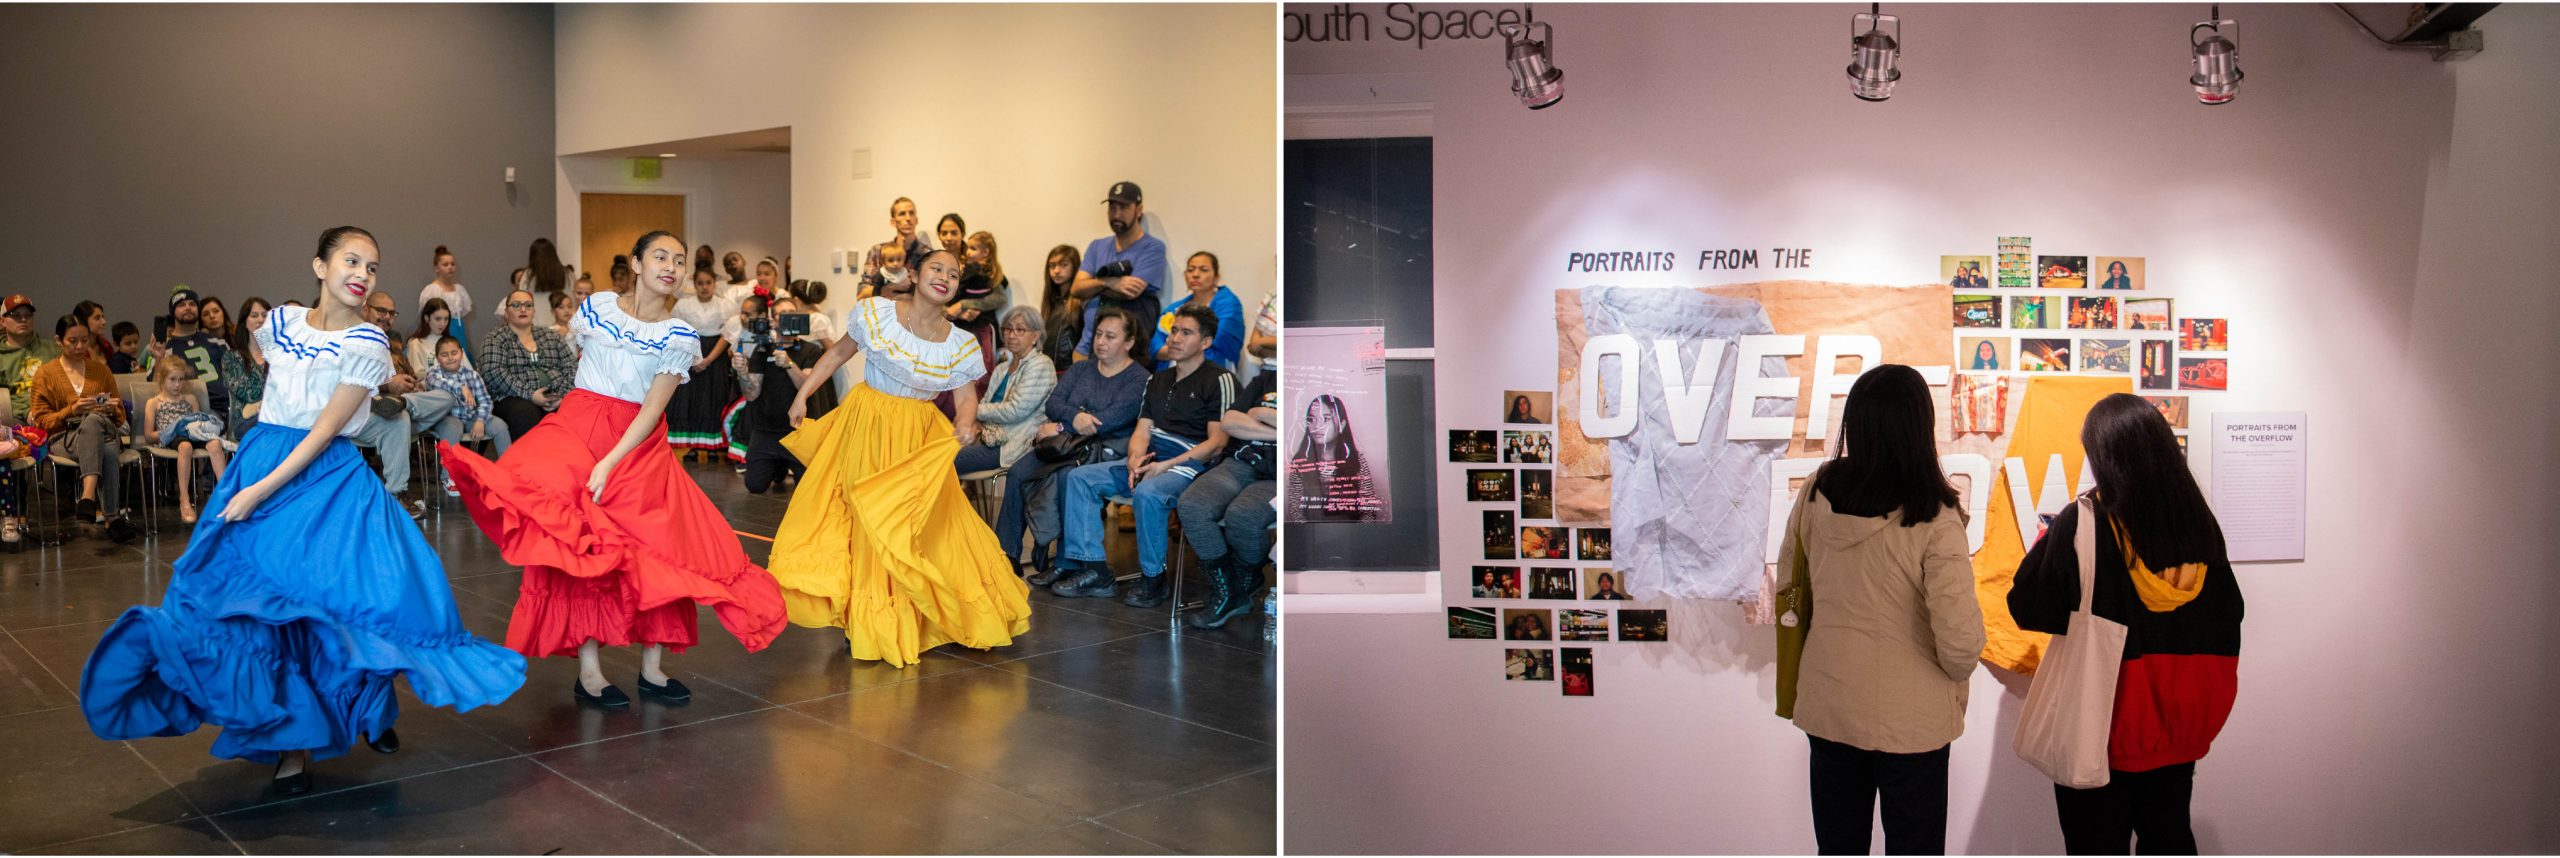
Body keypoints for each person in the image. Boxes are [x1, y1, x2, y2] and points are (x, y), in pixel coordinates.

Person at [81, 226, 524, 796]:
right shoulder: (282, 322)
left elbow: (324, 430)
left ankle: (357, 713)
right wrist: (256, 456)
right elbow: (281, 394)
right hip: (264, 457)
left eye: (372, 265)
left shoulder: (366, 343)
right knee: (270, 611)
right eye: (350, 261)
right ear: (320, 266)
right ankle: (294, 744)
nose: (362, 274)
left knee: (347, 604)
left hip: (321, 475)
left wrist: (259, 489)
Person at [443, 231, 786, 707]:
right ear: (638, 264)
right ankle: (590, 673)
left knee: (658, 551)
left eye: (679, 260)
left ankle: (652, 668)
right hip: (578, 427)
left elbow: (651, 409)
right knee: (581, 549)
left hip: (638, 443)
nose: (671, 266)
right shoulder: (598, 307)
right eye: (660, 256)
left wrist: (610, 460)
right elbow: (585, 366)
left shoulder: (679, 335)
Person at [770, 247, 1031, 667]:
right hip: (866, 422)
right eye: (936, 268)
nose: (944, 276)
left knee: (909, 525)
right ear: (914, 273)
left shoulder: (960, 344)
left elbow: (967, 397)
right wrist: (803, 393)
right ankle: (864, 618)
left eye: (952, 273)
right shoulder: (876, 313)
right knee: (863, 518)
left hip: (917, 437)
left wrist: (966, 422)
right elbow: (838, 352)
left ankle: (907, 614)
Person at [2010, 393, 2243, 856]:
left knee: (2095, 844)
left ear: (2103, 456)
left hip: (2104, 726)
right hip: (2177, 729)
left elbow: (2027, 606)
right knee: (2169, 837)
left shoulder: (2084, 522)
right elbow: (2229, 614)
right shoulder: (2199, 525)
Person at [1776, 364, 1984, 857]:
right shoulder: (1934, 514)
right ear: (1919, 426)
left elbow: (1791, 581)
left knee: (1839, 847)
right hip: (1912, 723)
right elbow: (1959, 645)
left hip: (1829, 706)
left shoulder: (1816, 490)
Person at [1052, 307, 1236, 606]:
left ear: (1206, 342)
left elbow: (1217, 443)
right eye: (1174, 330)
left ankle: (1154, 579)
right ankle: (1095, 571)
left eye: (1186, 333)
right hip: (1152, 456)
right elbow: (1142, 429)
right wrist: (1135, 459)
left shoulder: (1219, 379)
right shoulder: (1158, 379)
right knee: (1080, 477)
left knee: (1149, 492)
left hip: (1192, 464)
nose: (1175, 338)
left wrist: (1165, 466)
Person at [1009, 309, 1149, 584]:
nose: (1101, 342)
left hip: (1104, 449)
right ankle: (1008, 553)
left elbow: (1109, 420)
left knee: (1064, 478)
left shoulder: (1138, 377)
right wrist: (1075, 417)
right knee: (1018, 473)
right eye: (1098, 334)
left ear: (1129, 343)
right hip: (1067, 445)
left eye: (1110, 336)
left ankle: (1066, 562)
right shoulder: (1081, 368)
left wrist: (1062, 424)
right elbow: (1054, 403)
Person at [1174, 359, 1277, 628]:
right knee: (1192, 505)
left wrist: (1259, 413)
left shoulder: (1315, 384)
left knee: (1242, 515)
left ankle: (1247, 575)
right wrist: (1280, 430)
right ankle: (1230, 592)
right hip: (1239, 462)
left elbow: (1305, 430)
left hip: (1282, 473)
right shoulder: (1265, 380)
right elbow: (1230, 422)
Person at [32, 315, 139, 542]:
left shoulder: (100, 370)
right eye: (72, 341)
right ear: (58, 341)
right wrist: (71, 410)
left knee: (93, 421)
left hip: (103, 428)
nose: (80, 346)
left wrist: (111, 407)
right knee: (107, 448)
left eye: (84, 339)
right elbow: (41, 421)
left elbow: (120, 418)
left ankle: (87, 497)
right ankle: (112, 517)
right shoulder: (46, 373)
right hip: (64, 436)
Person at [353, 289, 456, 518]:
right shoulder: (351, 337)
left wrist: (414, 385)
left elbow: (404, 372)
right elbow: (348, 387)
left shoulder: (393, 339)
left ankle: (402, 403)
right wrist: (386, 386)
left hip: (396, 402)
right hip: (362, 410)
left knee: (446, 398)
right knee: (399, 419)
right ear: (365, 309)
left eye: (392, 313)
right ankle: (397, 494)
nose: (387, 317)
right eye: (381, 311)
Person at [732, 294, 837, 493]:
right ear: (773, 320)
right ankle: (778, 465)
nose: (788, 317)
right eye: (782, 314)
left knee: (807, 490)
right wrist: (742, 371)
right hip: (766, 430)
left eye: (791, 313)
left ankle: (783, 463)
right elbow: (752, 393)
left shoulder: (811, 351)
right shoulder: (762, 350)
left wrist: (789, 363)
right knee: (754, 486)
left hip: (799, 431)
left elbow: (807, 387)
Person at [1072, 181, 1168, 364]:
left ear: (1139, 209)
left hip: (1125, 358)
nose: (1116, 214)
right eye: (1112, 207)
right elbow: (1076, 288)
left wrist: (1092, 284)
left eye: (1123, 207)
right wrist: (1107, 283)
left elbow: (1130, 291)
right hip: (1085, 348)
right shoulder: (1096, 246)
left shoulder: (1152, 248)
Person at [954, 304, 1054, 476]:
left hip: (1012, 443)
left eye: (1020, 330)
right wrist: (972, 421)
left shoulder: (1041, 364)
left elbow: (1015, 410)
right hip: (987, 437)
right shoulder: (1002, 368)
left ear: (1036, 336)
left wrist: (971, 410)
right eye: (1008, 329)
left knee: (945, 460)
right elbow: (986, 402)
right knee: (934, 450)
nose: (1011, 335)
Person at [478, 288, 576, 442]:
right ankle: (528, 463)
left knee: (575, 408)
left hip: (555, 395)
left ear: (534, 311)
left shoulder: (550, 336)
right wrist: (530, 395)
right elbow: (493, 373)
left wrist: (562, 396)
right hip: (513, 399)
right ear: (506, 311)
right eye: (516, 305)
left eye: (528, 305)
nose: (523, 309)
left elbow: (571, 367)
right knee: (525, 413)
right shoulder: (495, 338)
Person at [144, 361, 230, 523]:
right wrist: (172, 429)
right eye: (173, 379)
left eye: (181, 379)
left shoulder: (190, 399)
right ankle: (184, 499)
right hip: (171, 437)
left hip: (193, 433)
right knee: (185, 446)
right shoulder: (154, 402)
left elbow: (198, 423)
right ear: (161, 379)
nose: (177, 384)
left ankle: (225, 494)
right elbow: (148, 435)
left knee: (215, 443)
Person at [669, 267, 740, 460]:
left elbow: (728, 334)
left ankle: (712, 446)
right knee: (691, 399)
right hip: (690, 353)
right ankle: (692, 445)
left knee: (713, 398)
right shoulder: (684, 304)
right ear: (694, 285)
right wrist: (693, 357)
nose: (704, 287)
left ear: (714, 284)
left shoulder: (724, 305)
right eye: (700, 283)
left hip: (715, 356)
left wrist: (708, 359)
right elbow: (677, 332)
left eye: (708, 283)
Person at [1287, 393, 1383, 522]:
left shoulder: (1357, 461)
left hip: (1352, 534)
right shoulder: (1300, 462)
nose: (1316, 426)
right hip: (1311, 533)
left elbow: (1369, 511)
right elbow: (1295, 510)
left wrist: (1357, 535)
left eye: (1326, 419)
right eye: (1311, 419)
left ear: (1342, 425)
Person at [424, 336, 508, 476]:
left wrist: (480, 421)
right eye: (444, 355)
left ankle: (507, 469)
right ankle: (449, 476)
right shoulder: (433, 374)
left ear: (461, 353)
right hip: (445, 418)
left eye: (454, 353)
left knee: (500, 426)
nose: (450, 358)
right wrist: (461, 387)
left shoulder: (473, 375)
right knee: (452, 428)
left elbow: (485, 400)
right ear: (437, 358)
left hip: (470, 417)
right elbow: (436, 384)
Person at [1150, 252, 1246, 371]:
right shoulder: (1173, 309)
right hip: (1171, 373)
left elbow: (1218, 339)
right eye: (1190, 270)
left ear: (1216, 277)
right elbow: (1155, 346)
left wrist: (1177, 350)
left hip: (1212, 373)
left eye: (1203, 270)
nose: (1195, 275)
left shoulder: (1229, 304)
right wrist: (1179, 352)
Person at [156, 287, 232, 420]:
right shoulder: (164, 349)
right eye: (181, 305)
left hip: (229, 407)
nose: (188, 308)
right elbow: (154, 387)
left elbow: (236, 377)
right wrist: (158, 358)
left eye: (192, 304)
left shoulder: (217, 343)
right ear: (173, 313)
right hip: (193, 410)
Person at [0, 295, 63, 417]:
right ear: (3, 321)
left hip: (56, 413)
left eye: (28, 315)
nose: (23, 319)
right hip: (17, 419)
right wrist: (26, 413)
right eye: (16, 315)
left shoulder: (53, 349)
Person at [219, 297, 273, 438]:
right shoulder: (231, 358)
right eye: (254, 316)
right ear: (244, 323)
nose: (260, 320)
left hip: (274, 417)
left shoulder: (278, 356)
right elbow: (250, 393)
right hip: (245, 421)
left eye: (265, 315)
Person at [861, 197, 934, 296]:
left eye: (911, 213)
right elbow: (861, 295)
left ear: (916, 220)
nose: (908, 218)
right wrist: (889, 288)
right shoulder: (878, 252)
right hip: (880, 309)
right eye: (902, 214)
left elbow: (932, 293)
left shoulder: (928, 255)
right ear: (893, 222)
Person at [1037, 245, 1084, 370]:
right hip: (1050, 368)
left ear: (1075, 267)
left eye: (1063, 265)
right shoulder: (1050, 303)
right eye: (1052, 266)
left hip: (1071, 368)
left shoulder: (1081, 302)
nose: (1056, 271)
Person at [420, 244, 474, 343]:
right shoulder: (431, 290)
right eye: (445, 265)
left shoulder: (460, 289)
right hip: (440, 330)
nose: (450, 267)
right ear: (437, 268)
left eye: (452, 264)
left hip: (458, 330)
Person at [408, 298, 468, 374]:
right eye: (438, 319)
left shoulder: (451, 342)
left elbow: (468, 370)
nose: (443, 323)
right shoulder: (417, 344)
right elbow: (418, 378)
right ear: (426, 318)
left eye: (446, 319)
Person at [1245, 289, 1279, 385]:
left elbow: (1293, 344)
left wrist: (1263, 342)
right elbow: (1253, 346)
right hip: (1266, 370)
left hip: (1288, 373)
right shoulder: (1271, 297)